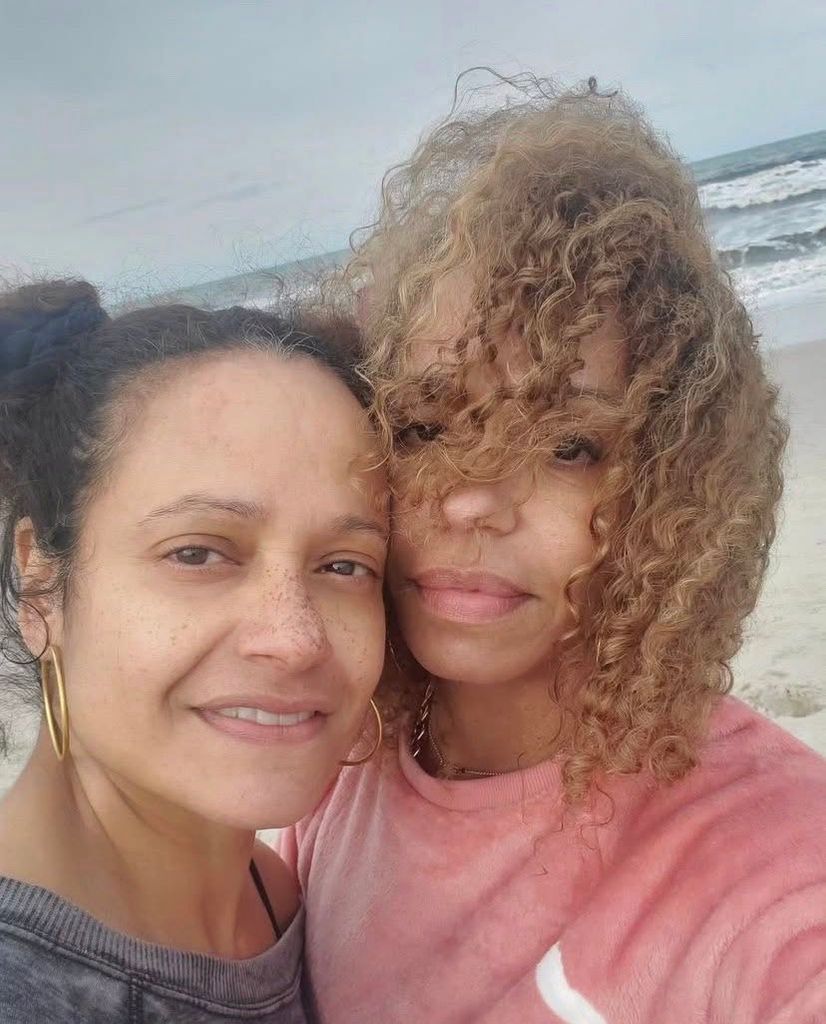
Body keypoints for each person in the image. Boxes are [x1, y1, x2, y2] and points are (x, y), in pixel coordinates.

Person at [282, 78, 826, 1022]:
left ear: (676, 480)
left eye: (568, 445)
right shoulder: (332, 770)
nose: (475, 499)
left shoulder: (775, 870)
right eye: (425, 427)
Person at [0, 280, 388, 1022]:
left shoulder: (276, 896)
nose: (294, 638)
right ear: (41, 582)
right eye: (199, 554)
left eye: (344, 565)